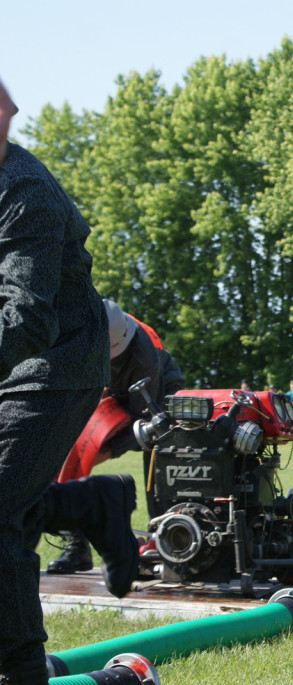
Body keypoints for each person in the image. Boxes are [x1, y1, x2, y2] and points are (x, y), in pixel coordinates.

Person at [0, 78, 138, 683]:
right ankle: (93, 502)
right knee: (13, 504)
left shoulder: (23, 190)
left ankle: (21, 669)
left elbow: (25, 317)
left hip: (50, 369)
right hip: (17, 366)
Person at [47, 299, 185, 575]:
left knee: (157, 454)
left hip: (155, 400)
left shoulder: (145, 358)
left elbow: (140, 422)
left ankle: (164, 542)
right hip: (112, 396)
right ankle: (77, 548)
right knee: (69, 461)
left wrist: (103, 450)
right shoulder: (85, 330)